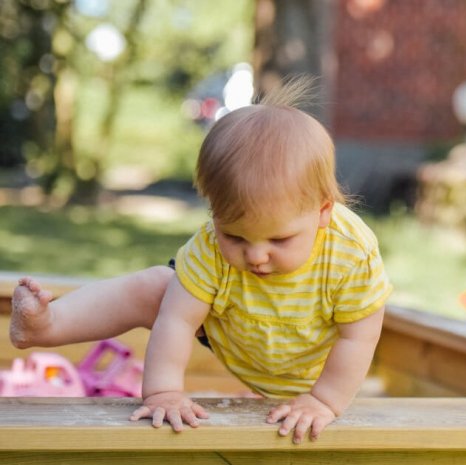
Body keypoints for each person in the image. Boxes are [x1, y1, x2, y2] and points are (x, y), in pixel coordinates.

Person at [10, 76, 393, 443]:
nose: (256, 256)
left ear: (323, 211)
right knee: (156, 288)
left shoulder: (349, 253)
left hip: (314, 363)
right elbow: (177, 321)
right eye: (235, 236)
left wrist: (323, 400)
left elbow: (359, 337)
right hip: (236, 329)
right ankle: (48, 325)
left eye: (280, 239)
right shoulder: (209, 246)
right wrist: (162, 392)